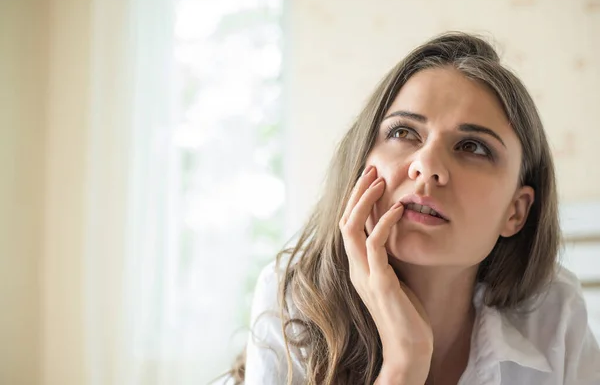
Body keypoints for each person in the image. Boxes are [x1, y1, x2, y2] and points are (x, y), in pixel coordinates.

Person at [225, 32, 600, 384]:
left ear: (515, 212)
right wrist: (405, 363)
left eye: (472, 147)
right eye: (403, 132)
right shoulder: (291, 299)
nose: (427, 166)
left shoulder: (556, 314)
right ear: (360, 164)